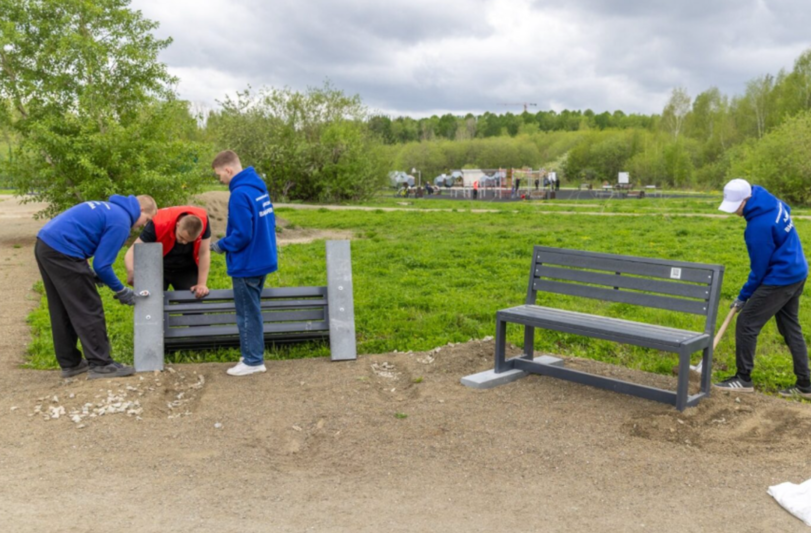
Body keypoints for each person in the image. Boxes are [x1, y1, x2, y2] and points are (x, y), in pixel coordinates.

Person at [35, 195, 157, 379]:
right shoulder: (121, 221)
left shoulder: (109, 209)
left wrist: (89, 272)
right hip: (64, 252)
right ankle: (101, 364)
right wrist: (121, 290)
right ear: (140, 210)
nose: (142, 225)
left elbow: (81, 235)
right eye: (146, 219)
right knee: (88, 307)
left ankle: (71, 363)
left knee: (61, 307)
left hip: (46, 245)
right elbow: (102, 265)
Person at [713, 179, 811, 399]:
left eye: (736, 206)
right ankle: (805, 385)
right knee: (790, 327)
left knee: (747, 322)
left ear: (746, 199)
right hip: (797, 270)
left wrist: (743, 296)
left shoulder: (757, 228)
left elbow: (759, 271)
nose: (734, 211)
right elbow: (787, 208)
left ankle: (743, 379)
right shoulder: (770, 201)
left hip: (781, 278)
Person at [210, 150, 278, 377]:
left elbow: (241, 235)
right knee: (252, 310)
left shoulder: (239, 194)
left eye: (220, 175)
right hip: (262, 257)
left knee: (247, 313)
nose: (220, 180)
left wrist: (220, 245)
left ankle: (253, 361)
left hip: (247, 263)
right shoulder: (257, 188)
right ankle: (251, 353)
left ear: (228, 170)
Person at [124, 206, 211, 298]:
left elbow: (204, 253)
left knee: (193, 299)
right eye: (181, 237)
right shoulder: (157, 224)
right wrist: (131, 271)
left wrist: (201, 284)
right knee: (150, 299)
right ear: (178, 225)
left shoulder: (203, 222)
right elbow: (133, 251)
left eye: (189, 241)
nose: (184, 242)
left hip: (186, 267)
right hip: (157, 265)